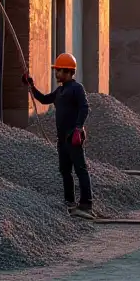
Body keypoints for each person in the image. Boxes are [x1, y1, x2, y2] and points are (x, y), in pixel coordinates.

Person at [24, 53, 93, 216]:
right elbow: (43, 99)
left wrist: (78, 128)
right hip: (62, 140)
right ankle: (70, 202)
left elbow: (84, 108)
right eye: (56, 70)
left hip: (73, 137)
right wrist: (31, 86)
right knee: (65, 171)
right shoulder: (60, 91)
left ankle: (86, 205)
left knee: (81, 170)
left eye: (59, 70)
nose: (56, 73)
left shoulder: (77, 89)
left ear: (68, 72)